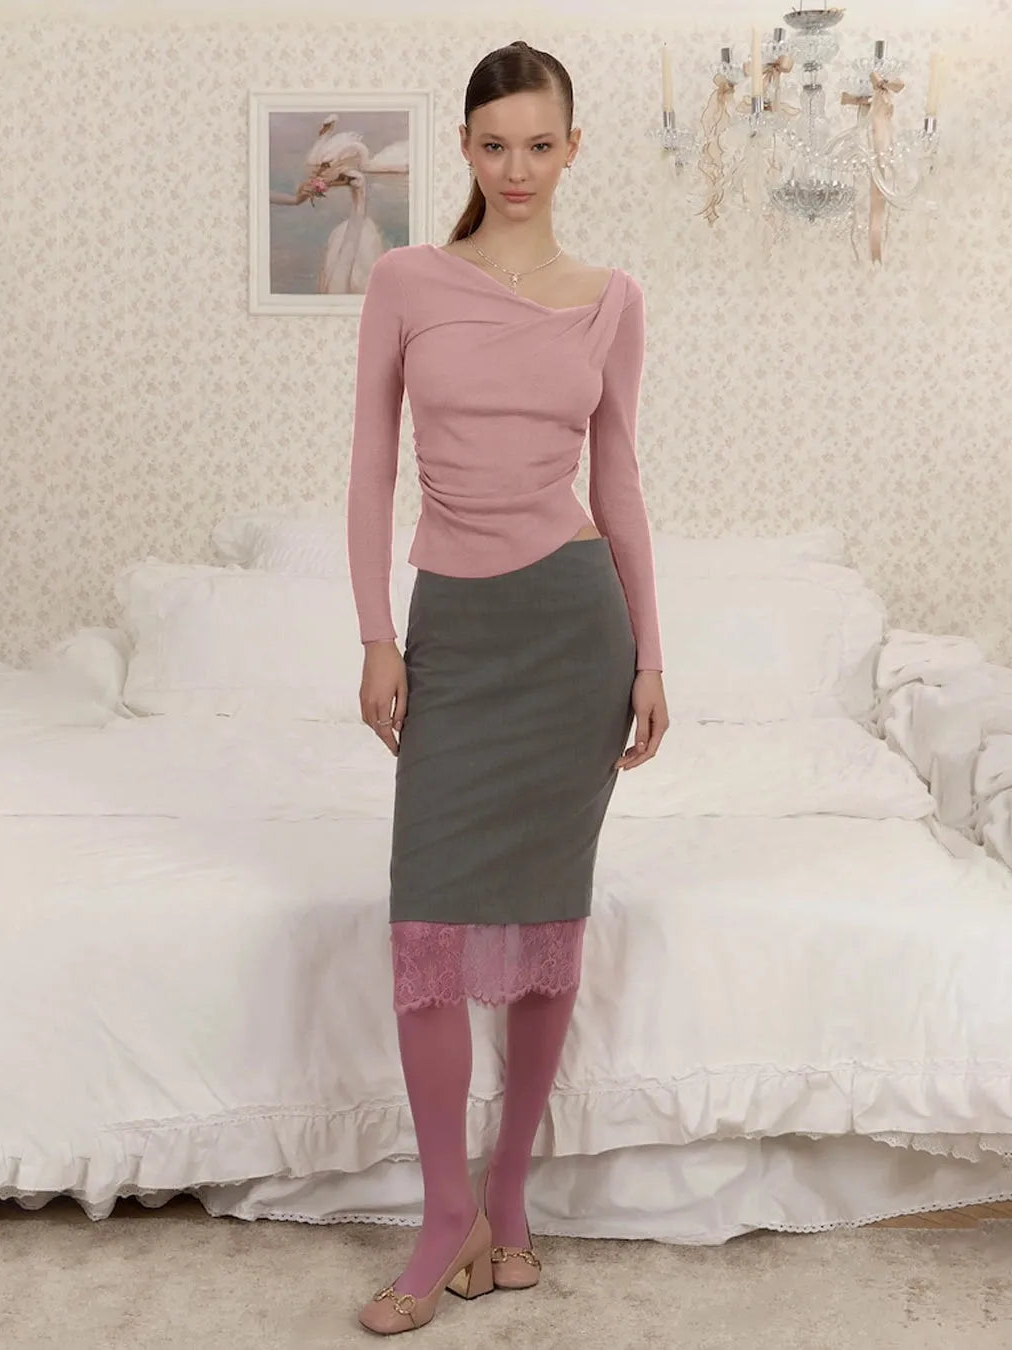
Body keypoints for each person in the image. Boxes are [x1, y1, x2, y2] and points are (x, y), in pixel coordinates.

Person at [346, 39, 669, 1337]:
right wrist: (377, 636)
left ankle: (511, 1201)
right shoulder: (405, 282)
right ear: (465, 149)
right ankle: (448, 1215)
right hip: (456, 632)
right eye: (494, 145)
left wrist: (652, 653)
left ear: (573, 148)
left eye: (540, 144)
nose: (517, 168)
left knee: (546, 924)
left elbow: (620, 479)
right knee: (424, 927)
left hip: (574, 633)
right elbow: (370, 466)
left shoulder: (612, 298)